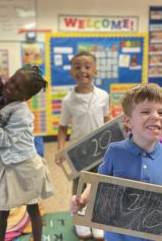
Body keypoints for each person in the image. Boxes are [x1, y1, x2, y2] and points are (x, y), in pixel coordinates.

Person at [70, 83, 162, 240]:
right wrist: (82, 199)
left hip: (156, 233)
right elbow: (97, 182)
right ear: (128, 121)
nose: (155, 116)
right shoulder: (115, 151)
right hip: (118, 235)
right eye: (145, 111)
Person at [0, 65, 54, 241]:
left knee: (32, 208)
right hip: (5, 167)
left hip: (25, 168)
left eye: (19, 88)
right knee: (2, 209)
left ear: (25, 97)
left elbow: (4, 140)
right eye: (12, 80)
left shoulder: (22, 113)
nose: (11, 86)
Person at [56, 51, 110, 240]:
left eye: (88, 66)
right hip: (78, 151)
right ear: (71, 72)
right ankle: (79, 218)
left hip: (101, 150)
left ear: (95, 71)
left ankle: (96, 220)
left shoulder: (103, 95)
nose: (83, 70)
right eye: (77, 67)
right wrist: (60, 149)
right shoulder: (68, 100)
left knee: (99, 184)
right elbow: (62, 128)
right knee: (79, 185)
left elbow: (108, 122)